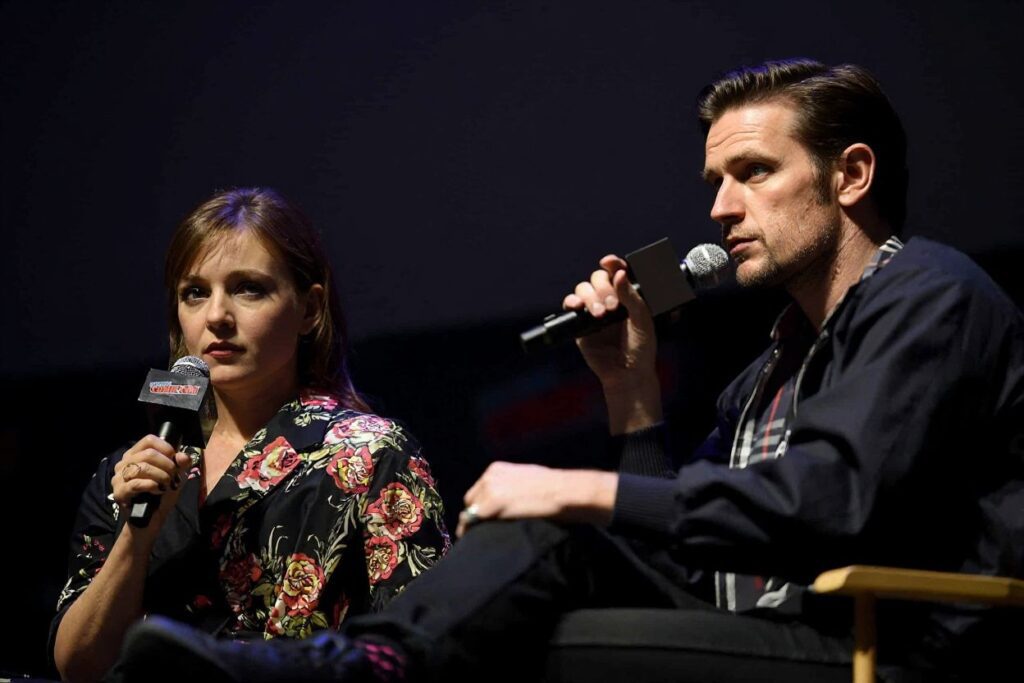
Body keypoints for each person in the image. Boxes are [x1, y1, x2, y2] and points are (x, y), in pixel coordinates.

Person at [111, 60, 1023, 682]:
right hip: (781, 631)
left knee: (539, 605)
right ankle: (364, 665)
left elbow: (834, 501)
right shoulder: (767, 373)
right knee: (529, 597)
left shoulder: (929, 292)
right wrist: (631, 393)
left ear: (851, 174)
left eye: (752, 171)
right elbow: (682, 553)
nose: (719, 207)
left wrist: (571, 487)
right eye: (715, 179)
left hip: (888, 647)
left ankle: (358, 668)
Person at [49, 188, 450, 683]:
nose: (216, 316)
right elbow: (78, 667)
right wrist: (137, 535)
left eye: (248, 289)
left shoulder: (371, 454)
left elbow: (428, 651)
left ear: (309, 310)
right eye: (195, 292)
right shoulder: (128, 473)